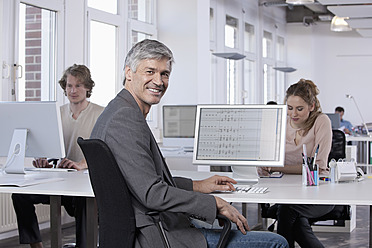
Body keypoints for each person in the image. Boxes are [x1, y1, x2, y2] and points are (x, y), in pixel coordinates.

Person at [91, 39, 288, 248]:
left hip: (155, 225)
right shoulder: (125, 119)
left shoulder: (117, 110)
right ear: (129, 73)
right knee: (276, 242)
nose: (158, 81)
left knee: (232, 228)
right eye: (150, 71)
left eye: (164, 74)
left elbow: (143, 182)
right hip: (158, 234)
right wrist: (214, 204)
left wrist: (199, 185)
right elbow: (152, 193)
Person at [12, 64, 104, 248]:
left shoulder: (100, 114)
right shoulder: (57, 114)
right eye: (69, 86)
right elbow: (50, 148)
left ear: (87, 87)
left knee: (84, 203)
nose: (73, 90)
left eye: (78, 85)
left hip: (85, 181)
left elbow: (103, 152)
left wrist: (81, 164)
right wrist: (44, 160)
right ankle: (36, 245)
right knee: (20, 195)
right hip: (60, 179)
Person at [260, 79, 334, 248]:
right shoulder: (281, 122)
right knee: (292, 216)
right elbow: (267, 157)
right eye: (290, 108)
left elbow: (318, 167)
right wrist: (264, 165)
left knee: (287, 211)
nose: (293, 114)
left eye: (300, 109)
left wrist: (277, 168)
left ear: (312, 106)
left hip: (318, 193)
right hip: (287, 192)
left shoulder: (321, 122)